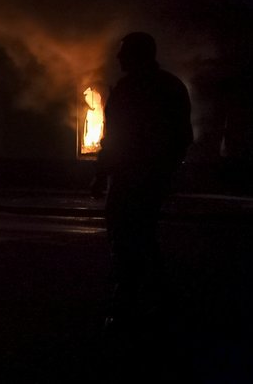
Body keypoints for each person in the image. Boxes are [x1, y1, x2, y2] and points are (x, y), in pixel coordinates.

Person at [91, 32, 192, 331]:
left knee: (124, 237)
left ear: (137, 55)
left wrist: (101, 174)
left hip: (129, 176)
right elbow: (183, 137)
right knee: (144, 236)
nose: (119, 58)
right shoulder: (172, 86)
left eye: (124, 53)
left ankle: (127, 301)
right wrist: (167, 170)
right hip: (153, 177)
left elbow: (115, 138)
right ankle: (158, 299)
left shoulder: (129, 89)